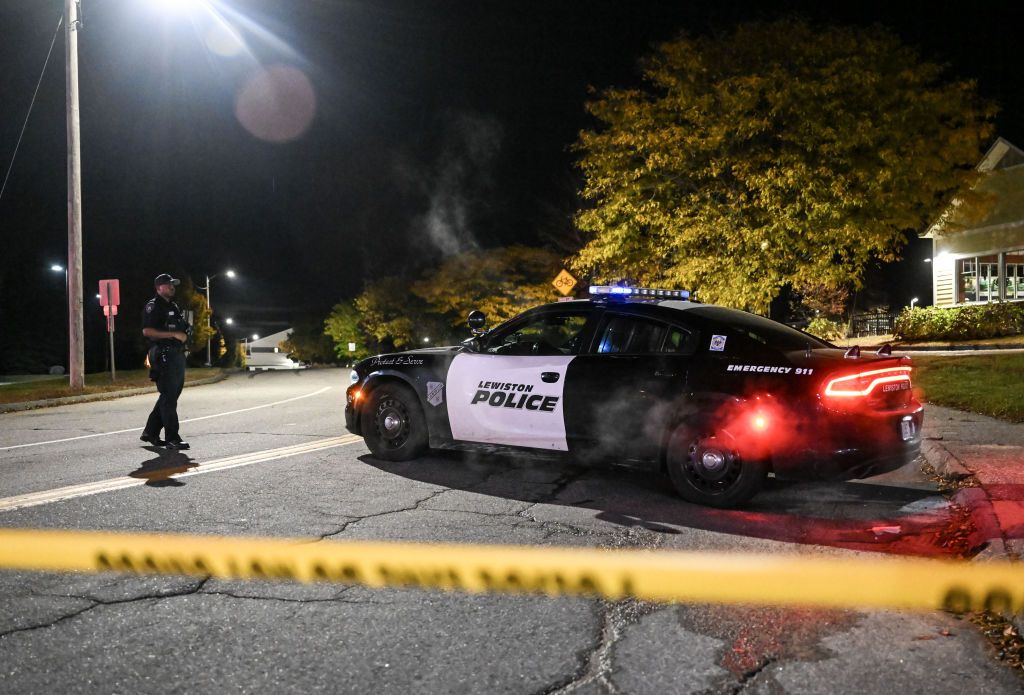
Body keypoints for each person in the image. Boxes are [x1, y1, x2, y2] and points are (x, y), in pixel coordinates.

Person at [140, 274, 191, 449]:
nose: (172, 287)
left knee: (169, 396)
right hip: (163, 355)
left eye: (173, 284)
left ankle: (150, 432)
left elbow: (181, 327)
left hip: (176, 355)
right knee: (169, 398)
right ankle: (172, 438)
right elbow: (147, 331)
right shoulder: (153, 306)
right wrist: (172, 334)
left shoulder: (173, 306)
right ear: (159, 287)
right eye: (169, 284)